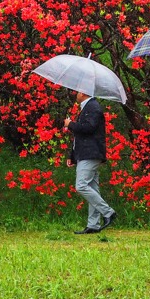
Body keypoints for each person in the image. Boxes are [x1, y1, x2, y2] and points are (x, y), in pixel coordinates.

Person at [64, 90, 116, 234]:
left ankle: (108, 212)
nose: (76, 94)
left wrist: (71, 124)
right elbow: (80, 136)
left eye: (78, 92)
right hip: (86, 153)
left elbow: (89, 128)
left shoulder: (93, 107)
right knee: (93, 188)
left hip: (91, 153)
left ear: (84, 93)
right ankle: (93, 224)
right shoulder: (87, 108)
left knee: (81, 185)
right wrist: (72, 155)